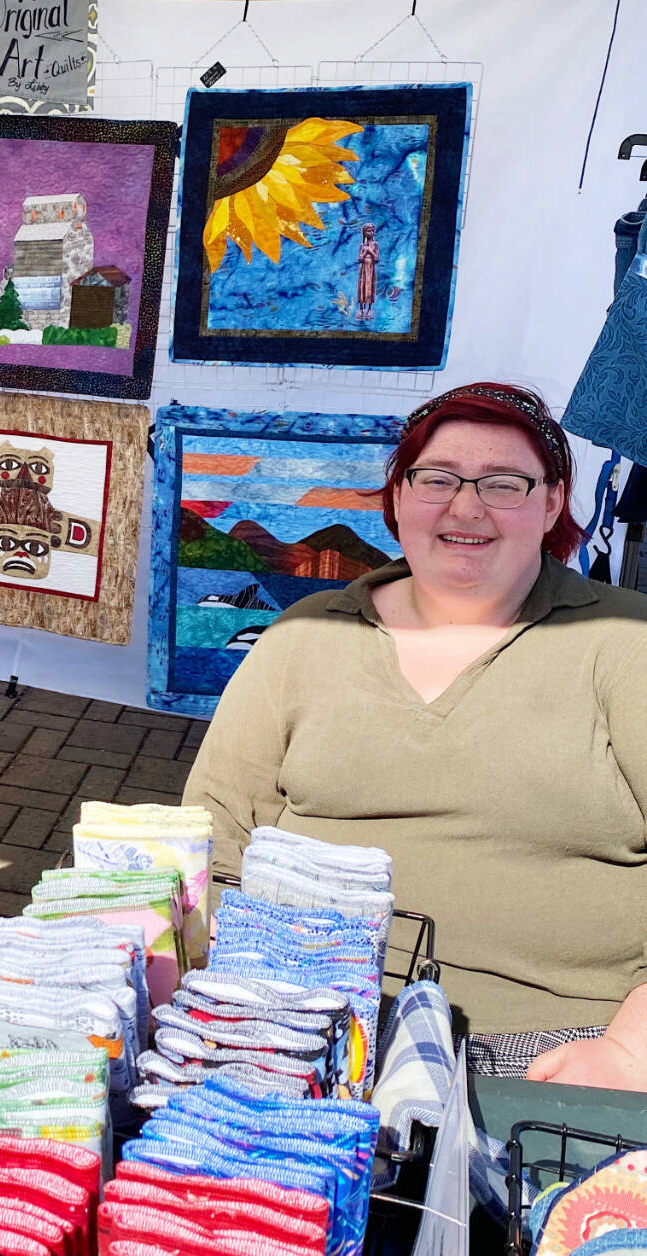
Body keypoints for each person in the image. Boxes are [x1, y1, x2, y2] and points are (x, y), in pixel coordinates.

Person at [184, 382, 647, 1091]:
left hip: (555, 1054)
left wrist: (630, 1051)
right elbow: (211, 834)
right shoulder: (307, 634)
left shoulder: (621, 642)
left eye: (503, 483)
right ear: (397, 497)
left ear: (552, 503)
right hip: (305, 1028)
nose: (466, 508)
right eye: (437, 479)